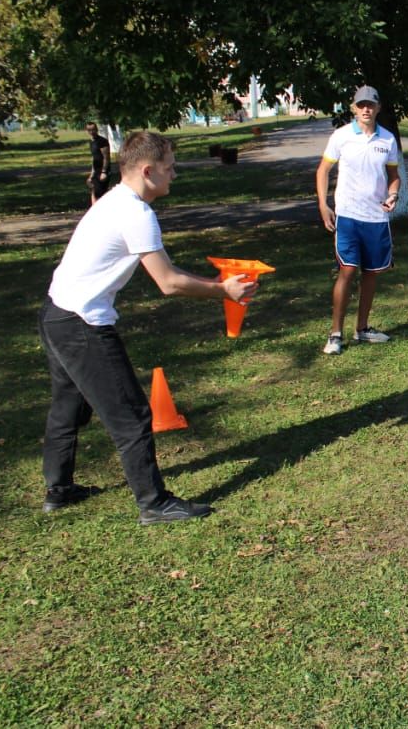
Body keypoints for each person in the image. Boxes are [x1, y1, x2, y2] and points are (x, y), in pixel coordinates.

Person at [40, 131, 257, 523]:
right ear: (146, 170)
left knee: (68, 407)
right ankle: (153, 503)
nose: (174, 174)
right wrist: (224, 291)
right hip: (81, 322)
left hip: (56, 314)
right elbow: (168, 282)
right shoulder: (136, 213)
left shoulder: (114, 202)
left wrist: (217, 286)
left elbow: (170, 274)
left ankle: (59, 489)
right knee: (133, 415)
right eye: (169, 168)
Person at [316, 85, 402, 355]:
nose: (366, 109)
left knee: (372, 273)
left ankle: (362, 329)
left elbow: (394, 176)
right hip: (348, 215)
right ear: (353, 108)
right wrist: (323, 204)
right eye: (361, 105)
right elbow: (323, 170)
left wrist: (393, 194)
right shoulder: (341, 136)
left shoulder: (387, 139)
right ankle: (335, 333)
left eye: (371, 105)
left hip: (376, 217)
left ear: (378, 108)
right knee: (348, 270)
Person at [84, 122, 111, 205]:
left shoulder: (102, 141)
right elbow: (94, 158)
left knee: (100, 193)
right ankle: (94, 210)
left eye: (93, 129)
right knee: (94, 191)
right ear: (86, 130)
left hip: (102, 171)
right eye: (89, 130)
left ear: (96, 129)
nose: (91, 132)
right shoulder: (92, 142)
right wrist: (91, 174)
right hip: (96, 171)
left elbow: (106, 157)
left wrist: (104, 172)